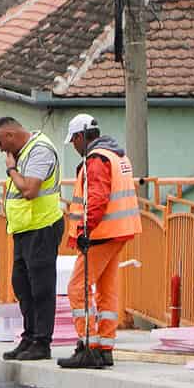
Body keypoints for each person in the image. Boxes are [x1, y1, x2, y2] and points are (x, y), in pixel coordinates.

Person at [57, 113, 141, 369]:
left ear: (82, 137)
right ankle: (105, 347)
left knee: (77, 289)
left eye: (74, 141)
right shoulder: (117, 155)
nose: (74, 146)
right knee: (106, 289)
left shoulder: (96, 160)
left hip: (101, 234)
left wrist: (84, 231)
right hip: (118, 231)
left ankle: (88, 346)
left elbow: (96, 199)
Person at [0, 117, 63, 361]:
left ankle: (42, 342)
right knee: (22, 285)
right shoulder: (24, 152)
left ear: (11, 135)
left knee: (41, 288)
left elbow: (30, 190)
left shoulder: (40, 150)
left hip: (42, 226)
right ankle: (29, 336)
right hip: (24, 229)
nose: (0, 149)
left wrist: (11, 169)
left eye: (0, 142)